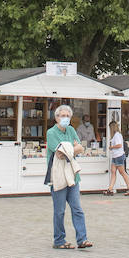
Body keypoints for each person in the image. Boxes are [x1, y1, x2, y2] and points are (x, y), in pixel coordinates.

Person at [45, 104, 90, 250]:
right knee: (59, 210)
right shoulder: (51, 133)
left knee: (77, 208)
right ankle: (59, 240)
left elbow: (81, 148)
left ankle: (82, 239)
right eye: (62, 116)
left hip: (73, 176)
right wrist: (73, 148)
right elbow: (58, 152)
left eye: (67, 116)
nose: (65, 118)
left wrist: (69, 149)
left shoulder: (71, 130)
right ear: (56, 117)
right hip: (58, 176)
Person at [104, 119, 129, 197]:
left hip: (119, 156)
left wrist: (111, 147)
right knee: (113, 171)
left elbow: (119, 145)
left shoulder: (117, 135)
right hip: (115, 156)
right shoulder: (116, 135)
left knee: (122, 172)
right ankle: (110, 189)